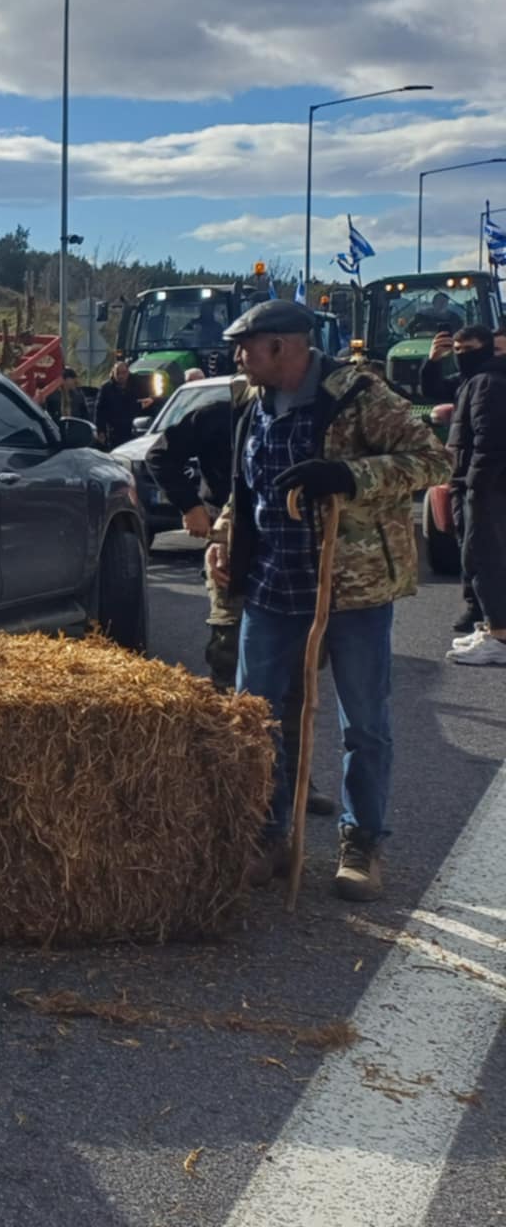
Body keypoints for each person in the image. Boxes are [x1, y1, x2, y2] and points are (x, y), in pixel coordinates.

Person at [208, 300, 450, 902]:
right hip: (271, 585)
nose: (238, 357)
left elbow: (434, 459)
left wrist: (348, 477)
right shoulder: (252, 403)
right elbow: (251, 489)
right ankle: (268, 835)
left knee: (362, 722)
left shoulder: (359, 394)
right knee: (255, 717)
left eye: (247, 345)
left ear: (284, 346)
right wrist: (223, 539)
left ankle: (361, 841)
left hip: (351, 587)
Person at [150, 370, 334, 814]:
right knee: (229, 670)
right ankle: (222, 782)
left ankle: (289, 781)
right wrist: (190, 505)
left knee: (297, 678)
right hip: (231, 543)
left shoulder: (308, 413)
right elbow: (160, 454)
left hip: (287, 555)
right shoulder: (220, 413)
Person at [446, 334, 506, 665]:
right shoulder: (480, 379)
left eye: (467, 350)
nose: (460, 356)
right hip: (485, 484)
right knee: (481, 557)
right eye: (456, 350)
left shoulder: (486, 383)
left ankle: (499, 636)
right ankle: (490, 625)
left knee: (487, 558)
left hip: (487, 486)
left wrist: (475, 484)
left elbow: (489, 441)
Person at [92, 360, 151, 448]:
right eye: (118, 373)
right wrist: (100, 431)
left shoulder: (137, 385)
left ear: (128, 372)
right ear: (113, 373)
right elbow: (99, 410)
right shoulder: (106, 388)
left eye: (123, 373)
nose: (121, 376)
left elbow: (146, 402)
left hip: (134, 430)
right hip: (114, 431)